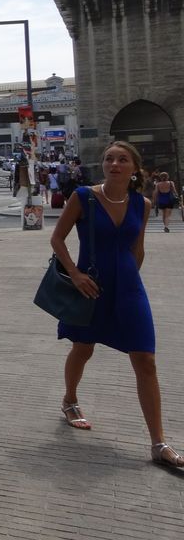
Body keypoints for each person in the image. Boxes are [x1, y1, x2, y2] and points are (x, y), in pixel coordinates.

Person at [50, 141, 184, 468]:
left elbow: (138, 248)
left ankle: (159, 443)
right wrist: (75, 274)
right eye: (109, 158)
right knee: (83, 348)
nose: (114, 164)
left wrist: (128, 280)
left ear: (134, 169)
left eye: (122, 160)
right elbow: (57, 238)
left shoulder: (143, 204)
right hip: (89, 286)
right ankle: (70, 400)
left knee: (146, 359)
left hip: (128, 287)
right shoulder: (83, 197)